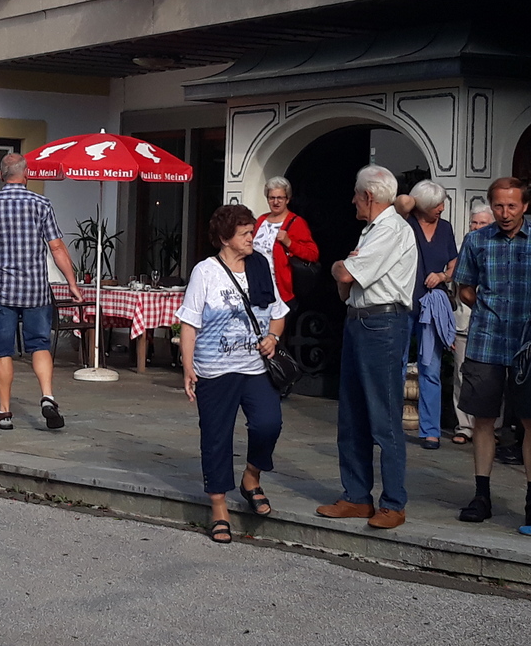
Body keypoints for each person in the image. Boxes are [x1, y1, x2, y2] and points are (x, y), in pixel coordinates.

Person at [451, 177, 531, 528]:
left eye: (512, 206)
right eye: (499, 205)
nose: (505, 213)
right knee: (482, 419)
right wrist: (488, 308)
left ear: (525, 206)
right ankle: (481, 494)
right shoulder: (476, 240)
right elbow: (465, 287)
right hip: (487, 339)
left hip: (530, 343)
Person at [179, 204, 289, 544]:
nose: (251, 238)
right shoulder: (205, 272)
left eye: (251, 232)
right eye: (244, 234)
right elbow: (189, 323)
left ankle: (251, 476)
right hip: (214, 370)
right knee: (216, 437)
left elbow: (278, 313)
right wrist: (187, 367)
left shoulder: (260, 266)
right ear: (226, 239)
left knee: (269, 423)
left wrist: (273, 337)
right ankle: (219, 508)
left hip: (255, 368)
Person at [317, 165, 418, 530]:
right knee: (352, 412)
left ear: (369, 196)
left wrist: (339, 265)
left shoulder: (391, 229)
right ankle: (357, 496)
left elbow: (345, 274)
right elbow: (347, 286)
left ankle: (393, 502)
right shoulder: (373, 230)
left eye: (357, 195)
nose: (353, 201)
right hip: (360, 319)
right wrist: (345, 269)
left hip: (382, 323)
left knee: (383, 414)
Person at [0, 153, 83, 431]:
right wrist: (71, 282)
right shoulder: (42, 204)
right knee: (40, 345)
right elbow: (56, 247)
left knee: (2, 351)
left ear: (1, 175)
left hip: (3, 290)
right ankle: (47, 396)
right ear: (27, 174)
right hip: (36, 291)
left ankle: (4, 413)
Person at [393, 180, 458, 450]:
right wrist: (416, 203)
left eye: (442, 204)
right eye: (436, 205)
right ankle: (390, 425)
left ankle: (430, 430)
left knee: (430, 368)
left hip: (432, 306)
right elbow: (401, 202)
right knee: (396, 366)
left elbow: (454, 263)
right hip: (404, 303)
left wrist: (442, 276)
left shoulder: (445, 228)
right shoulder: (405, 221)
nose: (441, 209)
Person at [446, 207, 494, 444]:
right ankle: (464, 426)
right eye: (474, 223)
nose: (476, 227)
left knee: (493, 378)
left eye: (482, 223)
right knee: (461, 375)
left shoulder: (498, 248)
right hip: (464, 323)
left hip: (492, 324)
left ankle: (492, 428)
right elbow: (453, 289)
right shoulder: (462, 249)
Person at [254, 176, 320, 305]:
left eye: (280, 198)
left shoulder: (297, 222)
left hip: (280, 292)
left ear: (288, 199)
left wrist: (289, 243)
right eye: (272, 198)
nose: (276, 202)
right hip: (258, 287)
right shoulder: (261, 220)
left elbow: (313, 254)